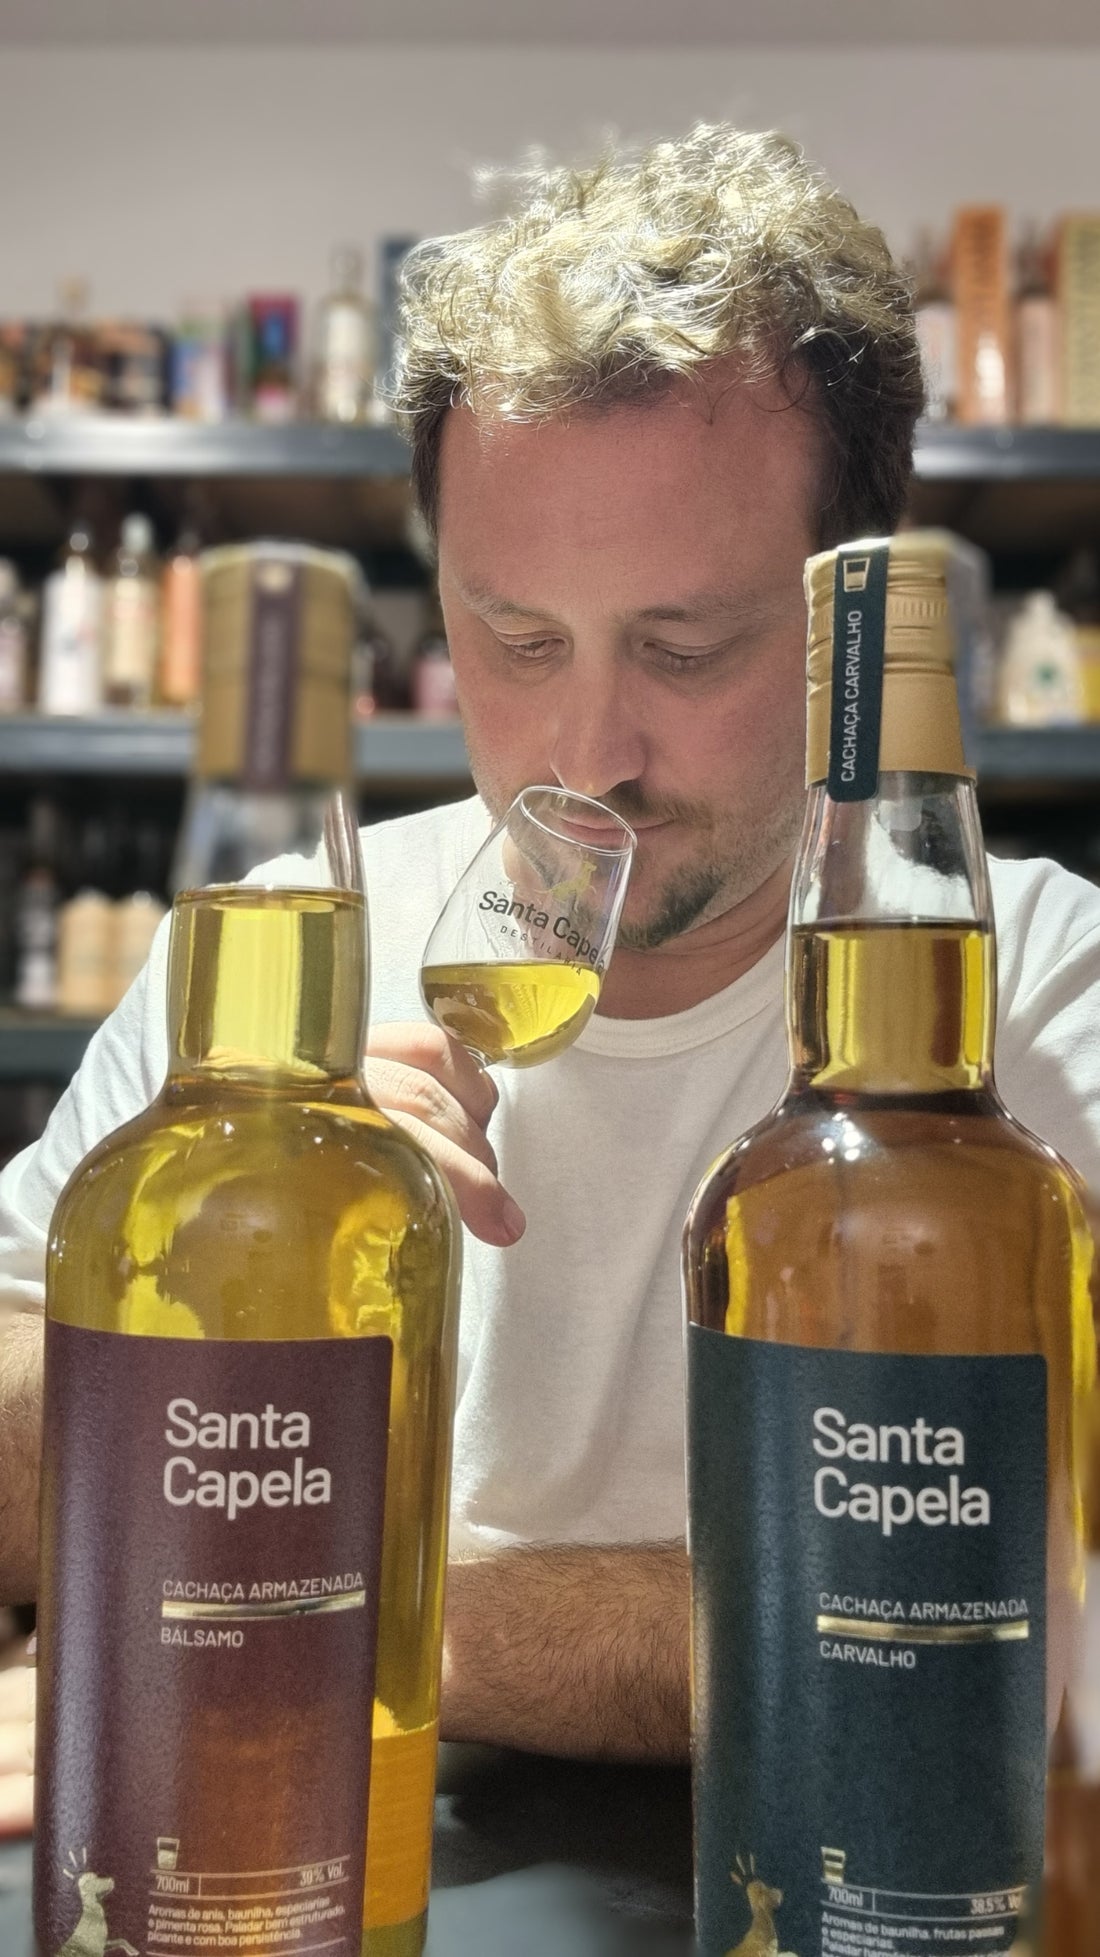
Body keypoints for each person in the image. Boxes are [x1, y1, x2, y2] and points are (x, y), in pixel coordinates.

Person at [3, 125, 1100, 1796]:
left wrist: (350, 1616)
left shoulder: (1032, 990)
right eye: (515, 639)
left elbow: (1020, 1622)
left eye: (686, 646)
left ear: (846, 614)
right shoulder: (290, 945)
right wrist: (225, 1257)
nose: (590, 754)